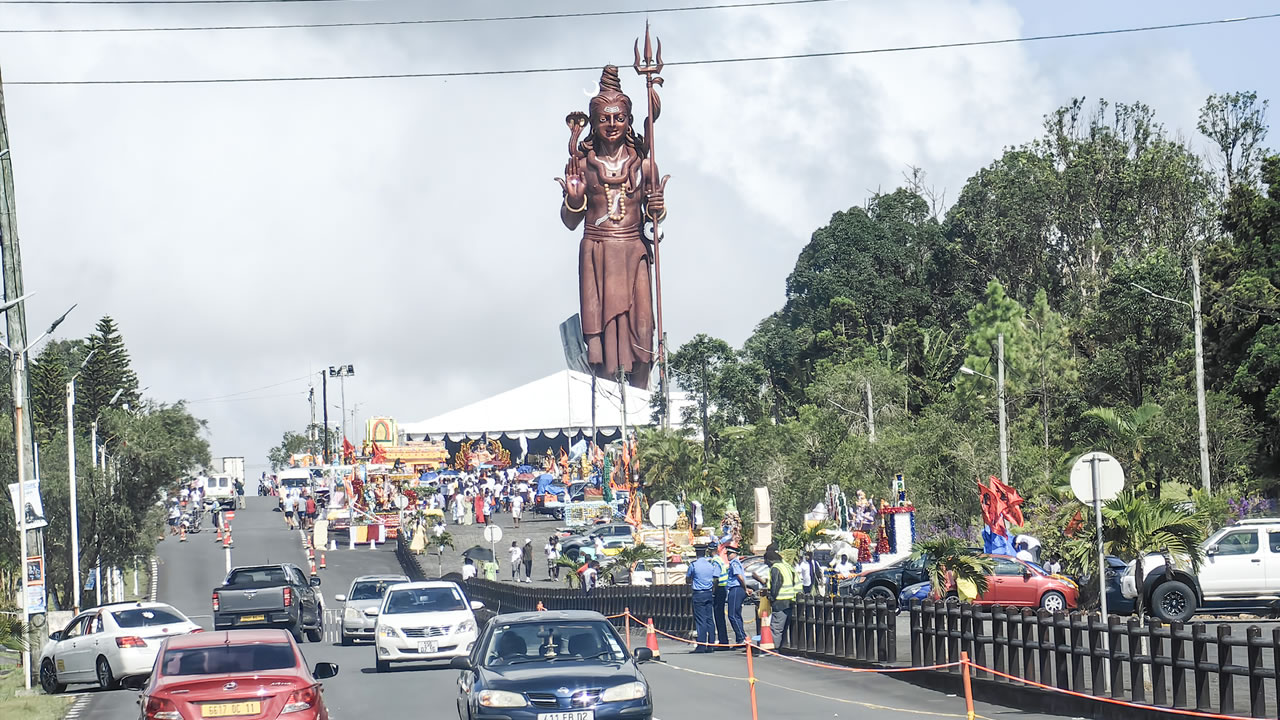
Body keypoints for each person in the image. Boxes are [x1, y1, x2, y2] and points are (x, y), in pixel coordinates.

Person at [555, 64, 665, 388]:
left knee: (643, 330)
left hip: (633, 251)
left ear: (629, 121)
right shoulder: (583, 165)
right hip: (598, 253)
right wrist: (574, 198)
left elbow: (654, 213)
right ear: (595, 122)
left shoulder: (644, 164)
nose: (612, 124)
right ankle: (607, 415)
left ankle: (643, 403)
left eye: (619, 117)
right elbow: (570, 221)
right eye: (605, 118)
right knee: (603, 341)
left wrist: (658, 207)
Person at [686, 542, 718, 653]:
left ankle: (701, 644)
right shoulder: (710, 565)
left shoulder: (694, 565)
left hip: (698, 593)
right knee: (710, 619)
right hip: (709, 593)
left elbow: (688, 579)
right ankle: (711, 644)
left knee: (700, 620)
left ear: (696, 553)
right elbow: (715, 579)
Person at [767, 548, 800, 648]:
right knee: (784, 627)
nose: (766, 564)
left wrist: (772, 597)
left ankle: (775, 648)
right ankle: (782, 646)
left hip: (780, 601)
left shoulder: (776, 568)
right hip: (790, 599)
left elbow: (776, 584)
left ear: (770, 560)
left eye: (766, 561)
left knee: (776, 627)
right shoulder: (786, 566)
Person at [726, 546, 752, 645]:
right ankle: (740, 637)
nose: (728, 556)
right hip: (736, 588)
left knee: (732, 614)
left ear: (734, 554)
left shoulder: (734, 563)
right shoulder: (734, 563)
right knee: (736, 615)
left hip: (736, 588)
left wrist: (745, 588)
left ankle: (742, 636)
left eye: (729, 554)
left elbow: (739, 577)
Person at [708, 542, 730, 648]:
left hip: (719, 590)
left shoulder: (715, 561)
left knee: (719, 616)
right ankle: (723, 640)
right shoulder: (720, 559)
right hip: (722, 588)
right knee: (719, 616)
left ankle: (723, 641)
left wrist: (712, 591)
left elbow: (715, 577)